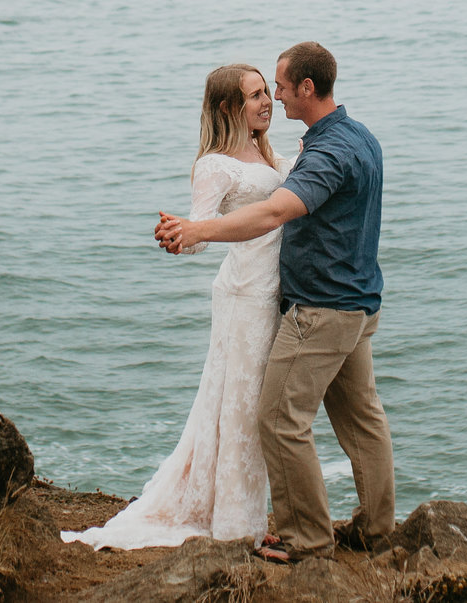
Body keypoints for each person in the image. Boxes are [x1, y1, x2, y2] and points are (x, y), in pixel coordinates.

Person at [154, 41, 389, 566]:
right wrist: (187, 234)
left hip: (323, 308)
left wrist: (195, 229)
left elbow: (272, 214)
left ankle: (310, 542)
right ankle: (375, 532)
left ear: (307, 87)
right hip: (353, 300)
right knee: (362, 421)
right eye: (261, 91)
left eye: (277, 88)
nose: (274, 98)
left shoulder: (324, 153)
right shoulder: (358, 137)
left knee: (280, 419)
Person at [64, 63, 296, 547]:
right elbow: (201, 235)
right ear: (230, 107)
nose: (266, 102)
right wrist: (178, 238)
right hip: (244, 295)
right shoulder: (214, 164)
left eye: (265, 93)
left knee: (244, 406)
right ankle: (240, 529)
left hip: (272, 291)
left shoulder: (262, 148)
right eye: (254, 96)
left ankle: (240, 516)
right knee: (241, 410)